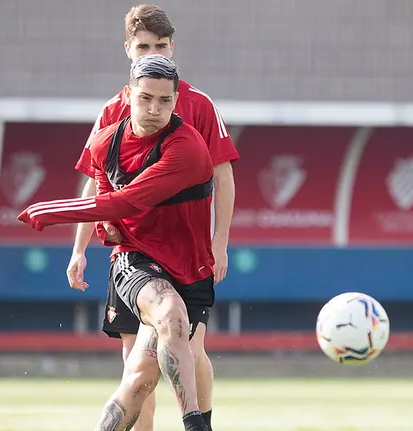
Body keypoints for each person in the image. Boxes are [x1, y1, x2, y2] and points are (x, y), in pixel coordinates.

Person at [18, 54, 212, 431]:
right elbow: (107, 196)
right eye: (145, 98)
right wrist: (105, 228)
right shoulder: (104, 143)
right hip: (136, 259)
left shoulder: (187, 148)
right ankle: (196, 426)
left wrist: (54, 211)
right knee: (170, 313)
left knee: (140, 378)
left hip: (191, 268)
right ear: (128, 95)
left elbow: (129, 200)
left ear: (176, 101)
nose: (154, 109)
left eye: (165, 101)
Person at [68, 5, 238, 431]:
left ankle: (200, 422)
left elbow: (224, 178)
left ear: (172, 47)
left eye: (159, 46)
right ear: (128, 49)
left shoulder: (197, 105)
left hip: (187, 255)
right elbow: (94, 184)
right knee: (136, 369)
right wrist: (79, 249)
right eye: (142, 46)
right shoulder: (112, 112)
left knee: (190, 350)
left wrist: (219, 244)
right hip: (132, 255)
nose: (150, 52)